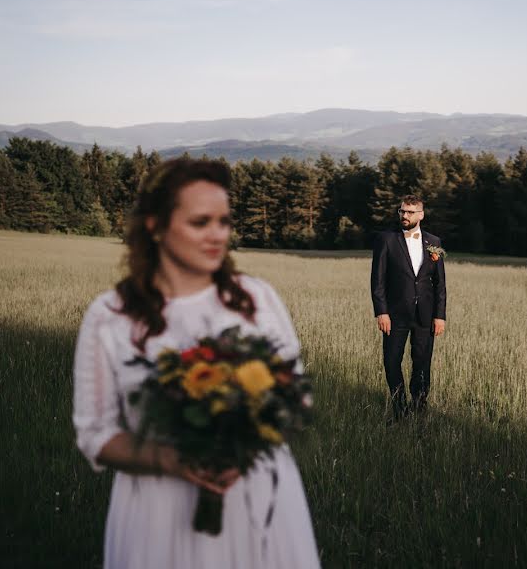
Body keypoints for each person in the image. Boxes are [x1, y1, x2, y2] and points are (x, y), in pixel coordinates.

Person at [72, 158, 321, 569]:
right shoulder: (111, 316)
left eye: (223, 221)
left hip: (258, 502)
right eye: (200, 222)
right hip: (160, 516)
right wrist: (172, 459)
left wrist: (254, 426)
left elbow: (298, 396)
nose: (217, 235)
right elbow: (95, 434)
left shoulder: (256, 299)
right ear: (154, 226)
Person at [370, 194, 447, 421]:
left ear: (421, 215)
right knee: (391, 362)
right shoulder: (386, 239)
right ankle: (399, 408)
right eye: (402, 211)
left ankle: (419, 408)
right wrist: (381, 311)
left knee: (422, 362)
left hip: (425, 315)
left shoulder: (434, 243)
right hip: (394, 315)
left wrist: (439, 316)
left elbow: (440, 283)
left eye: (410, 212)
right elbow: (378, 280)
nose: (405, 215)